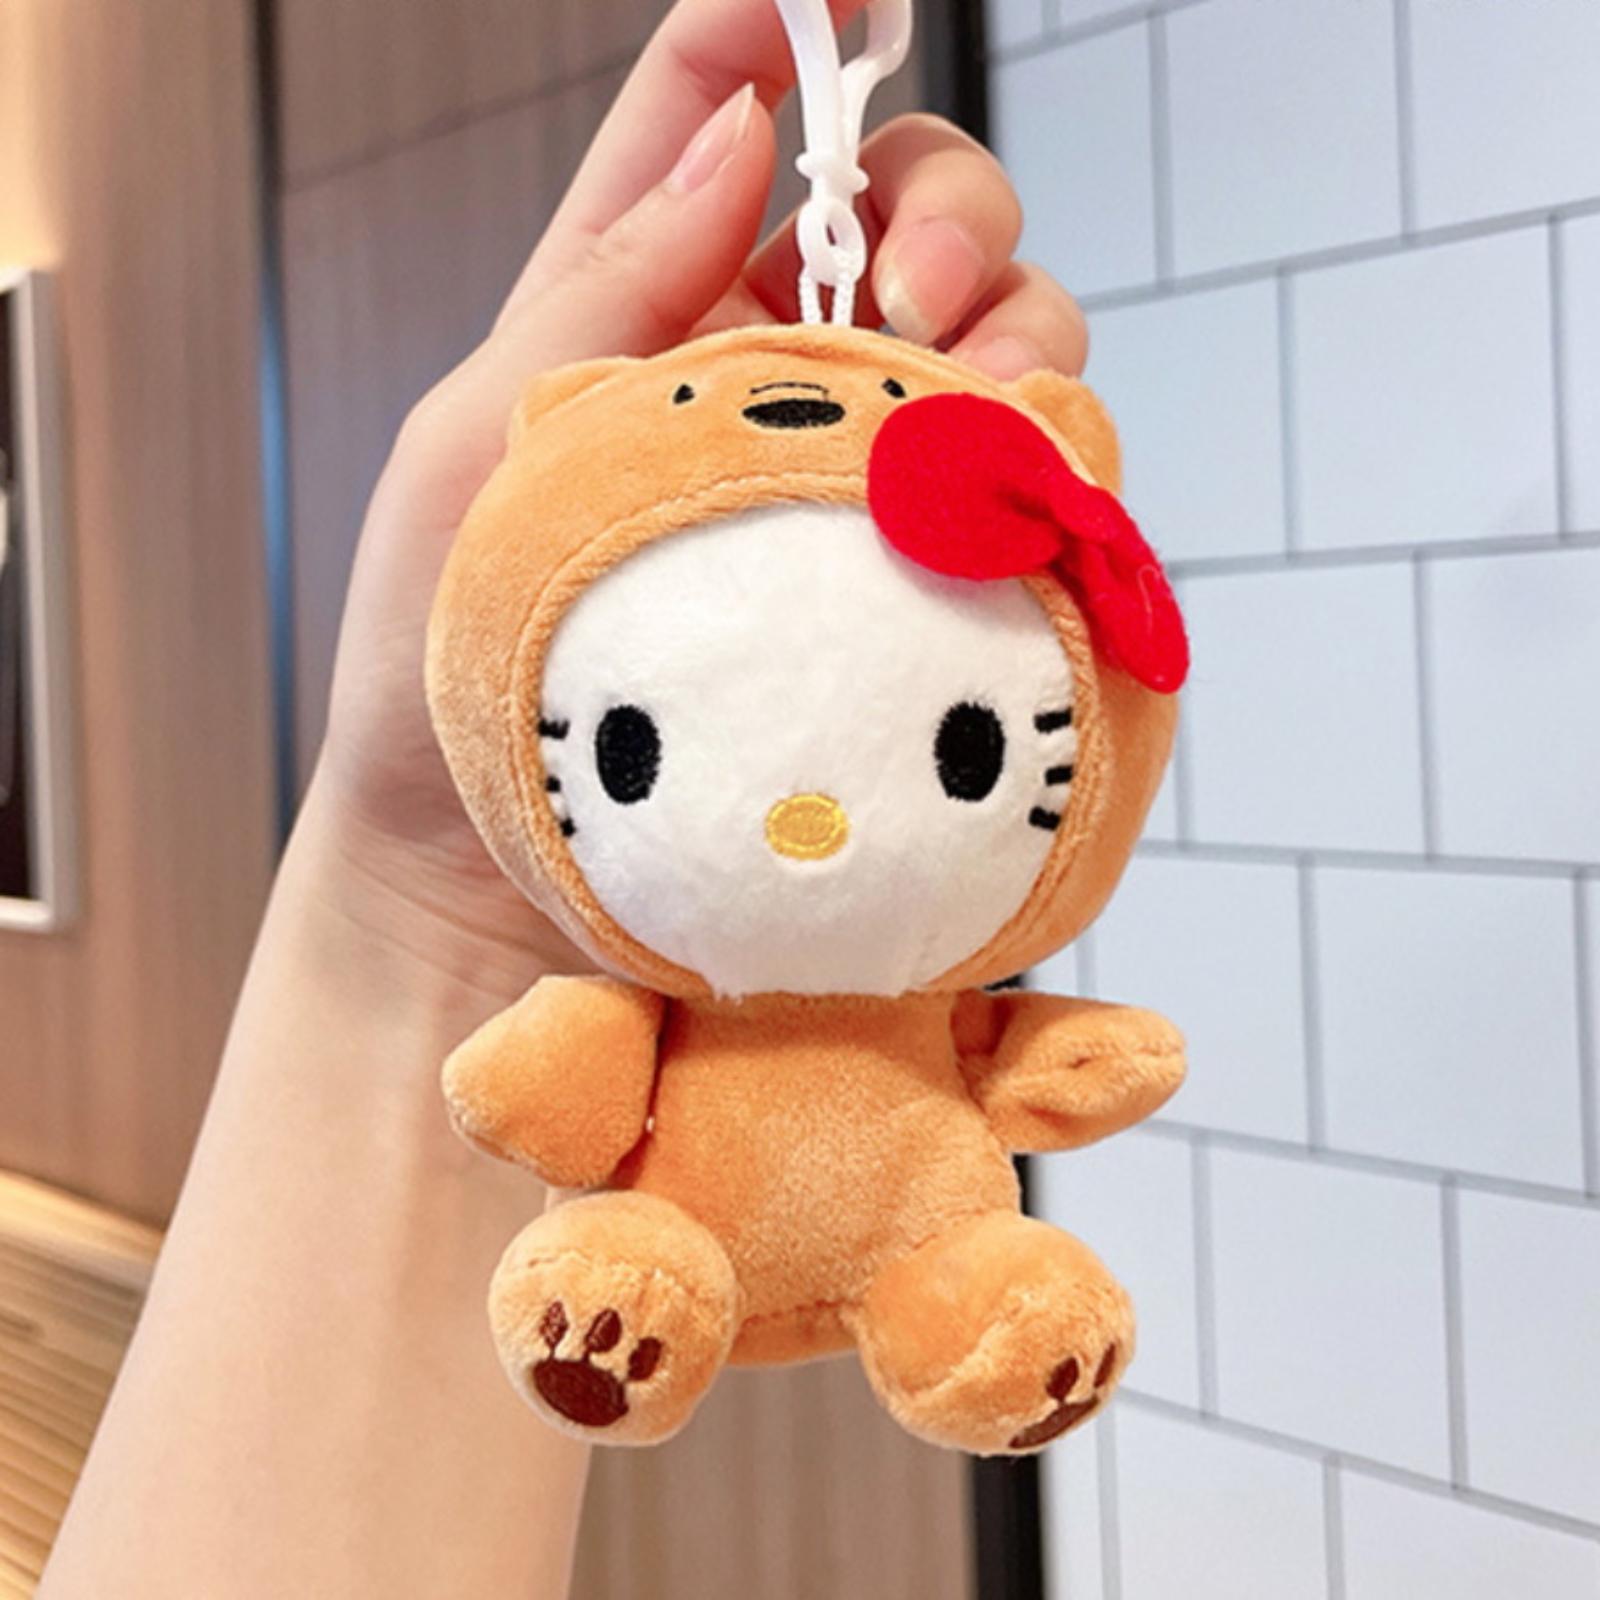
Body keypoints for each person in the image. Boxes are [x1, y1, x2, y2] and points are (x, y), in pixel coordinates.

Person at [37, 0, 1089, 1592]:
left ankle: (962, 1315)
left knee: (959, 1261)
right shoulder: (541, 700)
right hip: (653, 1185)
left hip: (915, 1206)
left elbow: (1051, 1057)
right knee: (622, 1257)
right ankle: (633, 1293)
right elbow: (536, 1079)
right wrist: (453, 902)